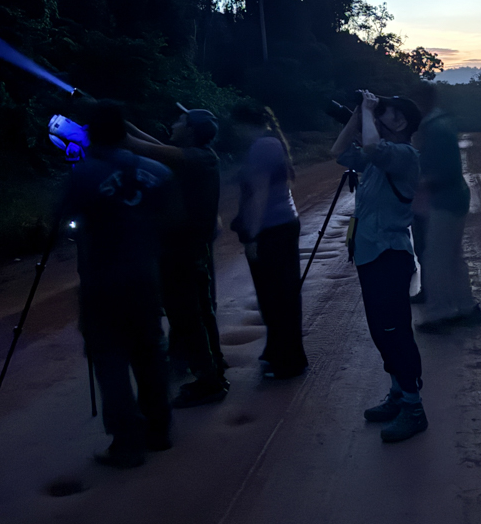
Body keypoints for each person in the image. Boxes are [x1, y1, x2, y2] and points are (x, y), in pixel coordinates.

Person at [60, 100, 174, 468]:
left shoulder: (82, 175)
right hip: (145, 276)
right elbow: (173, 221)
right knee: (149, 351)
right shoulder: (159, 172)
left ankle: (126, 441)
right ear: (125, 132)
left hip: (102, 280)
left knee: (109, 357)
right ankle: (159, 429)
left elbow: (63, 220)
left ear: (90, 134)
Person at [331, 90, 428, 443]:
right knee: (380, 330)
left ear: (400, 122)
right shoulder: (378, 156)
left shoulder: (403, 155)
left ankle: (414, 408)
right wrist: (358, 116)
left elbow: (372, 150)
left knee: (394, 332)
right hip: (369, 252)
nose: (379, 115)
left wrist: (369, 112)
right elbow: (339, 153)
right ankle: (398, 394)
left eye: (386, 112)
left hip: (389, 254)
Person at [124, 106, 229, 408]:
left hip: (182, 253)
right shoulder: (196, 156)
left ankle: (209, 381)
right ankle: (214, 367)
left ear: (192, 130)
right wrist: (126, 123)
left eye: (180, 120)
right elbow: (157, 148)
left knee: (187, 317)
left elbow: (145, 149)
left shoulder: (198, 158)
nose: (174, 123)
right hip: (189, 250)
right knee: (200, 313)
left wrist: (110, 127)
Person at [231, 104, 310, 379]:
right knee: (280, 295)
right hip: (282, 223)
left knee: (276, 297)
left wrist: (251, 235)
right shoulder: (270, 142)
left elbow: (259, 195)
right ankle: (279, 351)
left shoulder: (262, 146)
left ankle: (287, 360)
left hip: (272, 228)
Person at [412, 83, 481, 333]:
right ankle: (465, 307)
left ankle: (439, 313)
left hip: (444, 201)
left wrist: (419, 182)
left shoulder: (435, 128)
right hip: (454, 200)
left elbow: (445, 171)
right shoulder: (440, 123)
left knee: (435, 260)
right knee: (452, 258)